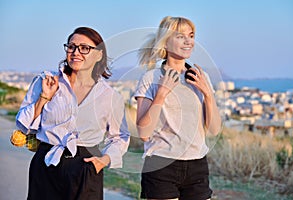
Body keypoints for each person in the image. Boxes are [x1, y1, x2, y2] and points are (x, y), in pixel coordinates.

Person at [15, 27, 130, 200]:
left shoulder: (110, 97)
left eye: (84, 48)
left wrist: (104, 160)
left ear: (99, 54)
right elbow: (24, 125)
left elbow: (120, 136)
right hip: (46, 163)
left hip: (86, 166)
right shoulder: (46, 81)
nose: (76, 52)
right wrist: (44, 97)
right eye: (71, 47)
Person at [134, 16, 222, 200]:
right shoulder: (151, 78)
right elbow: (143, 132)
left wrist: (208, 94)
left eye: (191, 35)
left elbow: (214, 129)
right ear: (165, 43)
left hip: (197, 165)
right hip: (161, 164)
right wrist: (161, 94)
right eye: (180, 36)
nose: (188, 41)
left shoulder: (199, 76)